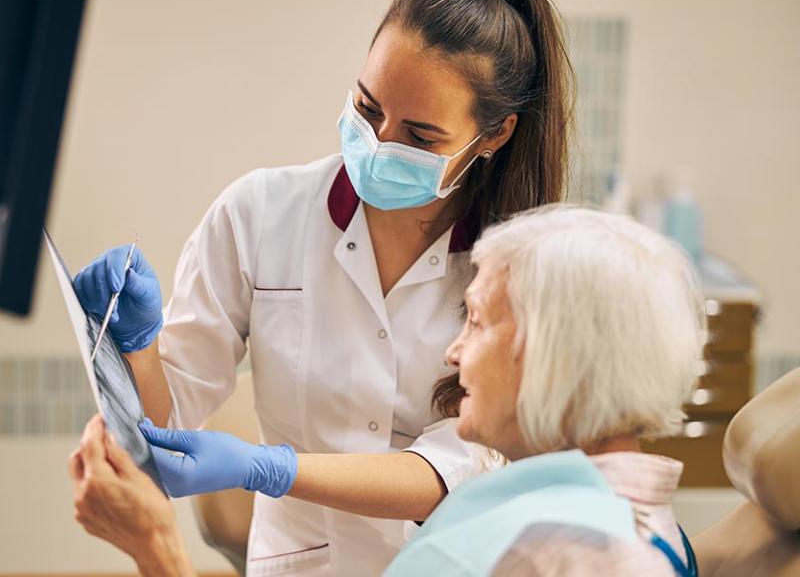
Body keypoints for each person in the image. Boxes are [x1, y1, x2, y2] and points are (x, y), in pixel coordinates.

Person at [72, 0, 573, 574]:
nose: (380, 143)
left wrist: (275, 468)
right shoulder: (258, 214)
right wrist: (139, 345)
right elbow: (166, 418)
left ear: (494, 134)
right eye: (367, 107)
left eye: (419, 136)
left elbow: (458, 467)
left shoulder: (519, 268)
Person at [70, 206, 705, 576]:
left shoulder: (569, 555)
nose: (454, 354)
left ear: (558, 359)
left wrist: (158, 550)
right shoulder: (597, 521)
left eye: (477, 321)